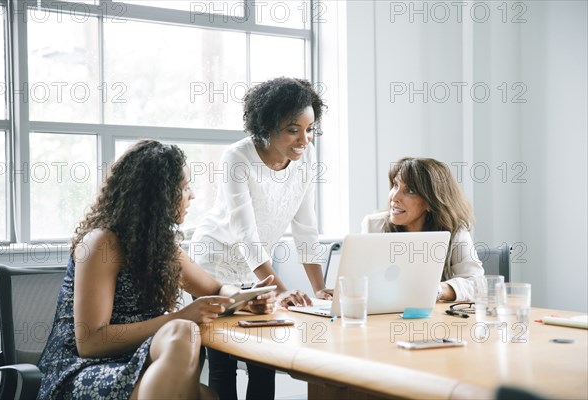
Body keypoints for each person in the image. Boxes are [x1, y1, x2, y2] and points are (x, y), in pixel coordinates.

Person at [37, 140, 275, 399]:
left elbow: (216, 288)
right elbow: (91, 342)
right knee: (189, 350)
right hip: (81, 368)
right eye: (184, 188)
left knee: (184, 335)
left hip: (139, 357)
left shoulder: (160, 245)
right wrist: (180, 316)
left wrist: (244, 300)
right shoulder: (102, 243)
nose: (192, 195)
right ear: (159, 196)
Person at [188, 77, 330, 400]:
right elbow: (245, 234)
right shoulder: (237, 157)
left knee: (264, 357)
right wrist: (280, 291)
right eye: (293, 129)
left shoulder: (305, 159)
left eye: (310, 129)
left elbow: (306, 227)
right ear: (268, 125)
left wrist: (319, 287)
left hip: (258, 269)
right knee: (224, 361)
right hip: (216, 261)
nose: (304, 140)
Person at [361, 157, 484, 301]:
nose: (394, 197)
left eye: (410, 191)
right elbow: (358, 280)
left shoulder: (454, 230)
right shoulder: (373, 226)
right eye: (395, 185)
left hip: (435, 319)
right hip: (382, 318)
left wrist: (436, 290)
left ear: (430, 202)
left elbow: (477, 284)